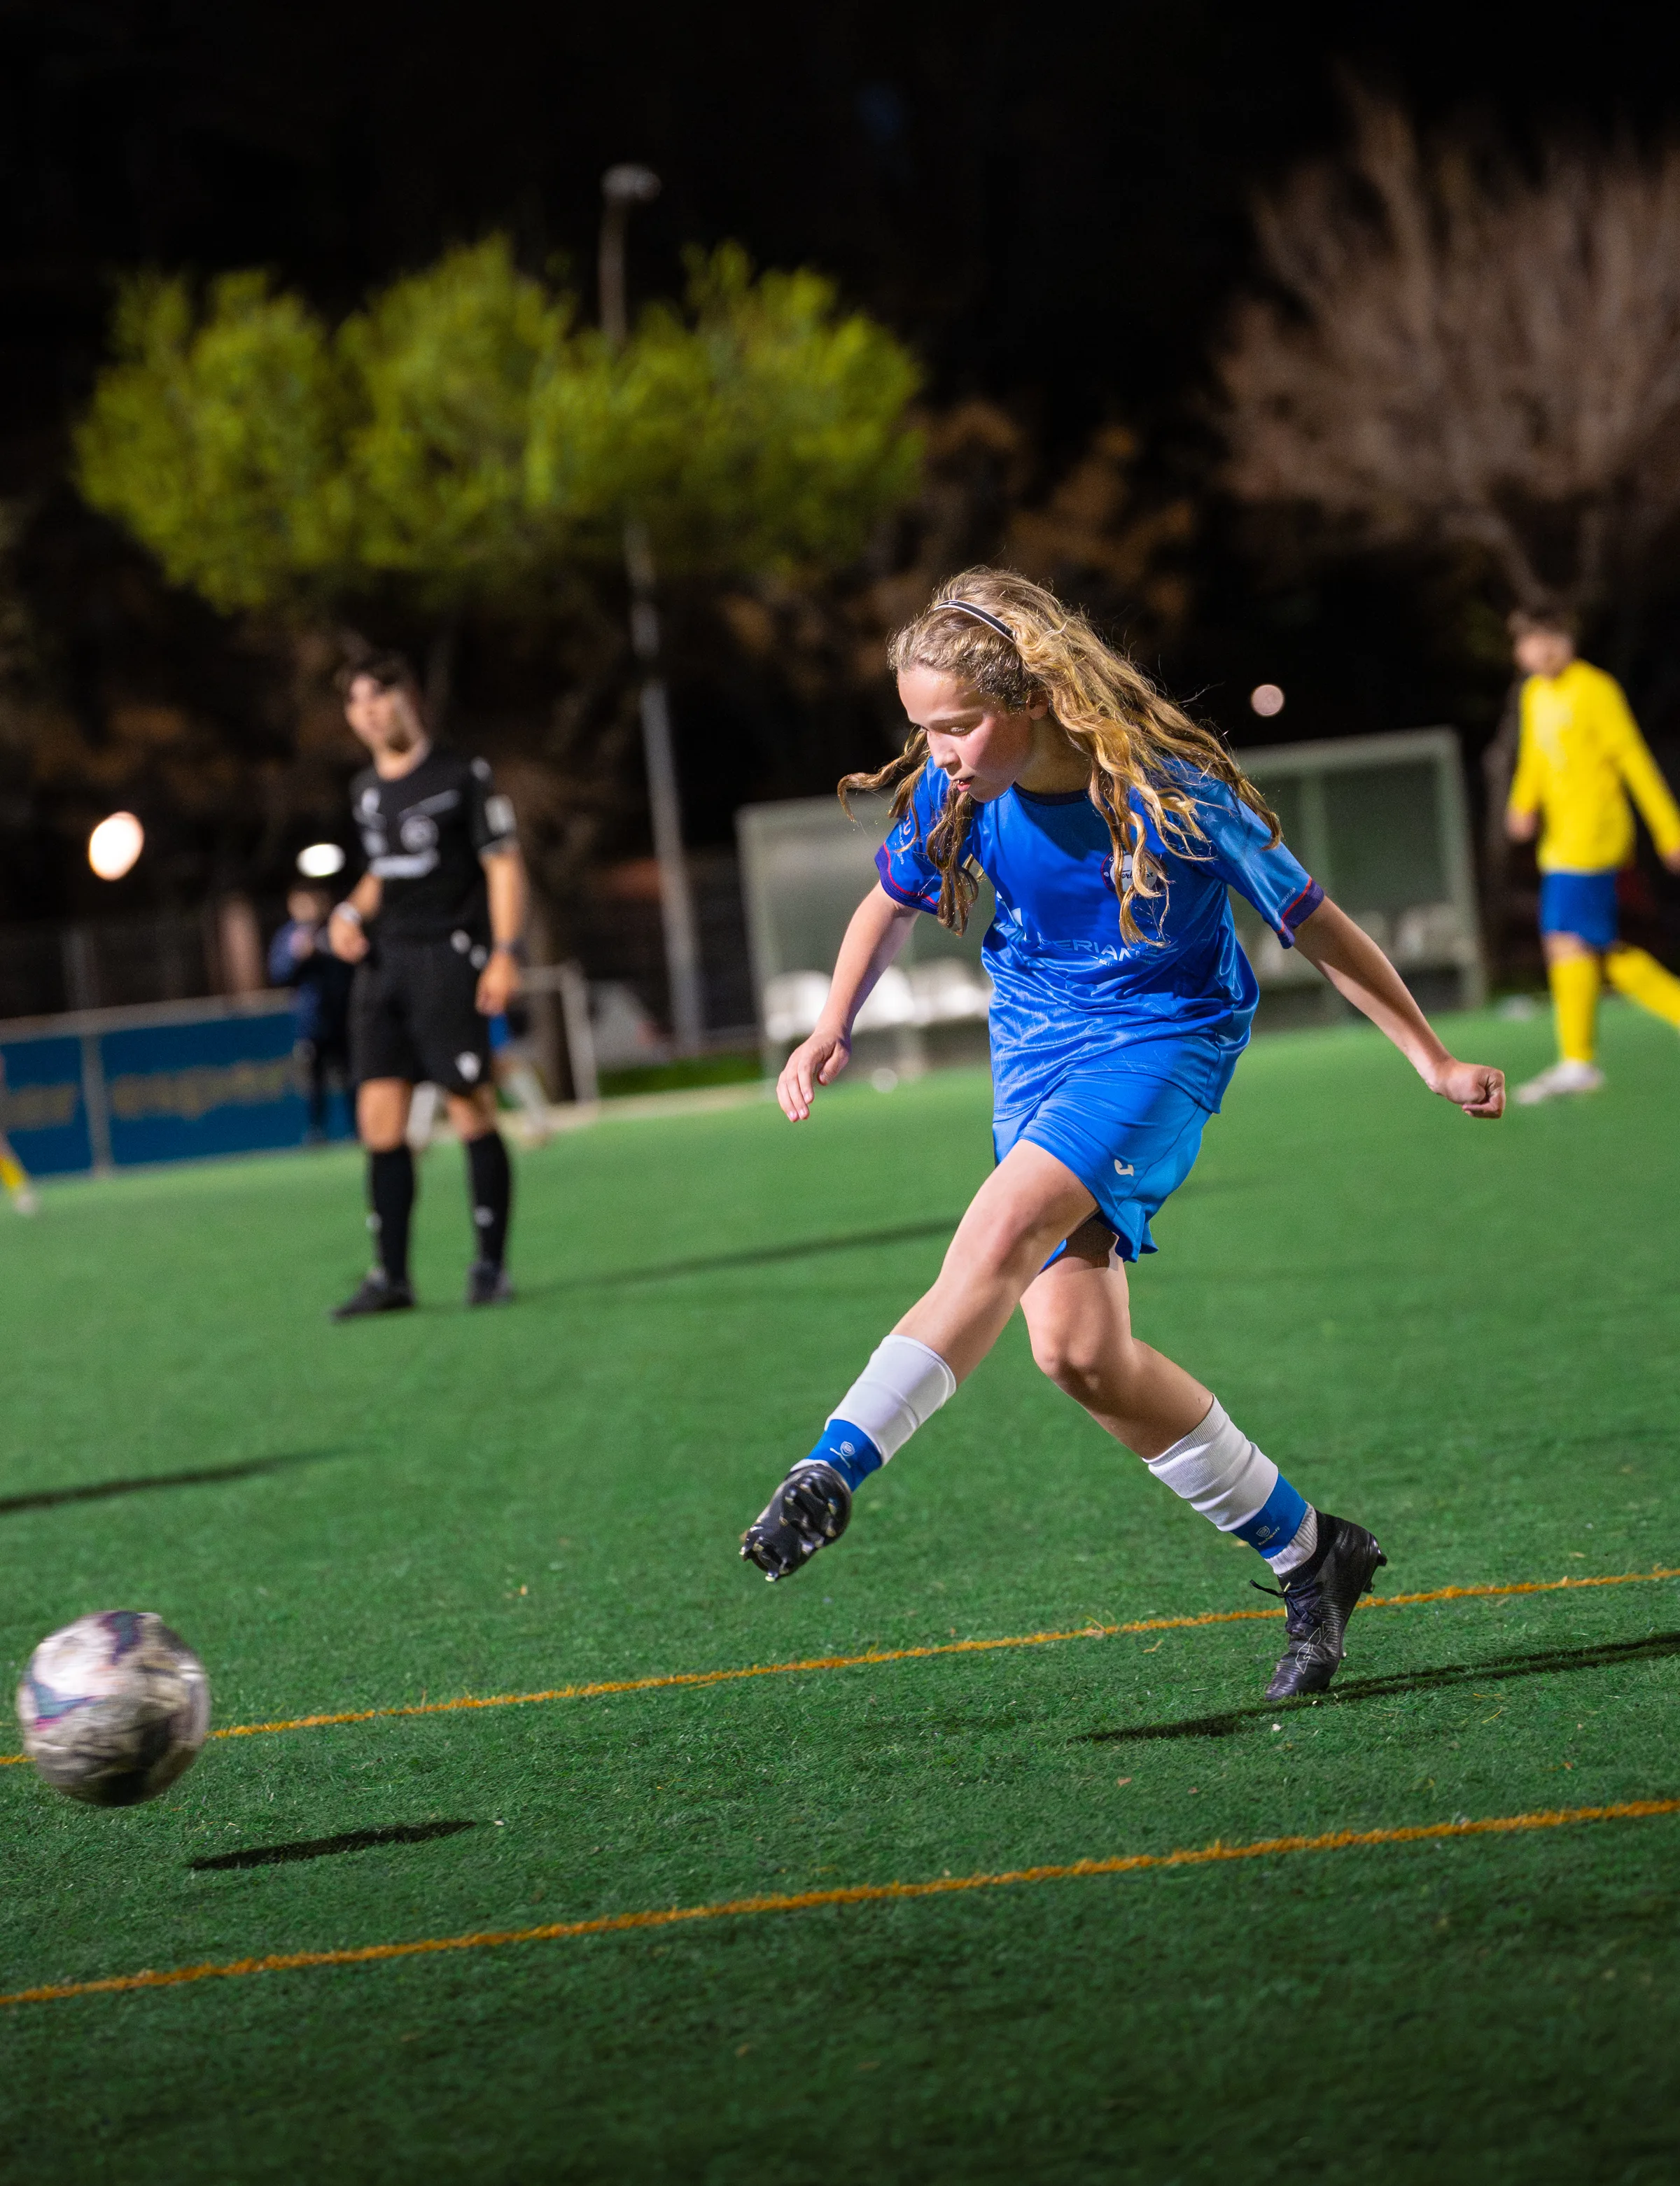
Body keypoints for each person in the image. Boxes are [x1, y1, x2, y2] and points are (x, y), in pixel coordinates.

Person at [740, 571, 1504, 1701]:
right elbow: (885, 904)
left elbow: (1317, 924)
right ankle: (1312, 1552)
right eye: (922, 728)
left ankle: (833, 1464)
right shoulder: (957, 796)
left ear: (1032, 698)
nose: (938, 751)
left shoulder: (1171, 794)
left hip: (1162, 1044)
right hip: (1037, 1055)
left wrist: (1431, 1056)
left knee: (993, 1234)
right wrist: (829, 1027)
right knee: (1078, 1353)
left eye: (958, 724)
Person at [326, 653, 527, 1315]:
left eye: (379, 697)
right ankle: (392, 1278)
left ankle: (490, 1266)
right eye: (356, 703)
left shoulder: (461, 774)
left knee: (469, 1106)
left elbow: (501, 866)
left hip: (449, 956)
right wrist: (351, 912)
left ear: (406, 698)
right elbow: (382, 870)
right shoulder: (364, 790)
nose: (369, 712)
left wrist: (504, 951)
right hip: (385, 969)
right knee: (378, 1121)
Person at [1503, 610, 1680, 1104]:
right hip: (1561, 841)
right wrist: (1522, 803)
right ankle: (1581, 1059)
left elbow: (1633, 758)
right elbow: (1534, 757)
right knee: (1596, 947)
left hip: (1595, 837)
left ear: (1566, 640)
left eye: (1549, 638)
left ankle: (1578, 1062)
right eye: (1530, 642)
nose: (1540, 650)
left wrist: (1670, 830)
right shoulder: (1534, 694)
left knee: (1564, 938)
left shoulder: (1596, 689)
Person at [268, 882, 354, 1140]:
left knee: (351, 1076)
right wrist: (299, 956)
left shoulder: (332, 930)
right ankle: (317, 1130)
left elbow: (352, 968)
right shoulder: (288, 937)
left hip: (342, 1017)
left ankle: (358, 1127)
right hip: (312, 1022)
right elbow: (278, 974)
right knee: (315, 1081)